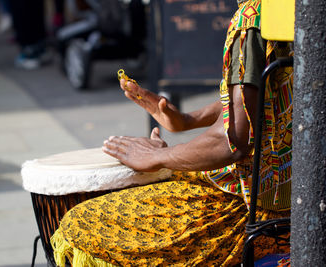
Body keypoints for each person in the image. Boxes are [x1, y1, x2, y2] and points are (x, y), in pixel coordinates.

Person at [50, 0, 293, 265]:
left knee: (81, 224)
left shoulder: (252, 19)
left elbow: (232, 141)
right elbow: (268, 100)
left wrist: (159, 157)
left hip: (256, 210)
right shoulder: (296, 10)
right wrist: (187, 120)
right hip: (291, 193)